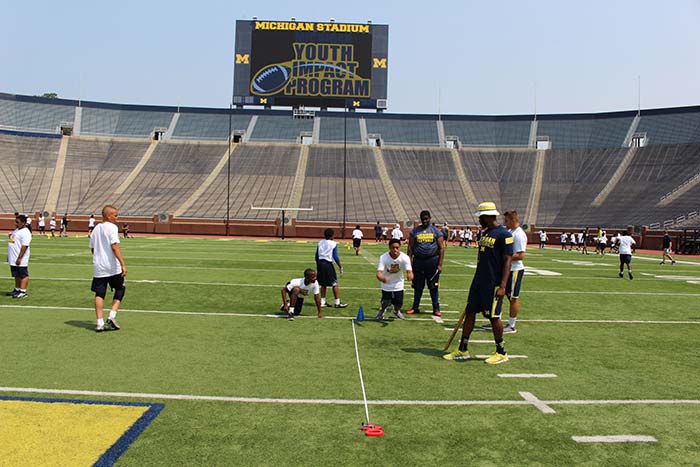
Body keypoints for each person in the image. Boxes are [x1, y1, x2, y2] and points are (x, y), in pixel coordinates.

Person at [444, 201, 514, 364]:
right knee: (470, 312)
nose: (479, 221)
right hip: (479, 281)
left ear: (489, 217)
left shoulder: (504, 234)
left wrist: (503, 286)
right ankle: (463, 349)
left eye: (481, 217)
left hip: (494, 284)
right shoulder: (484, 233)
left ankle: (501, 352)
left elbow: (508, 261)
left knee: (493, 317)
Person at [90, 205, 127, 332]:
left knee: (99, 293)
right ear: (108, 216)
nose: (117, 218)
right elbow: (114, 246)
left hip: (98, 267)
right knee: (121, 288)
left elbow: (92, 248)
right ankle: (112, 316)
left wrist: (98, 259)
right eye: (115, 215)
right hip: (112, 266)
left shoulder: (95, 229)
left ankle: (99, 322)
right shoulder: (112, 227)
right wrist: (122, 263)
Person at [406, 210, 445, 317]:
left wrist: (440, 264)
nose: (425, 221)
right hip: (418, 261)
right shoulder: (415, 231)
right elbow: (410, 248)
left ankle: (436, 308)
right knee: (418, 286)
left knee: (433, 286)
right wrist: (409, 265)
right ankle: (415, 307)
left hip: (432, 261)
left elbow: (441, 248)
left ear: (430, 218)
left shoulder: (436, 231)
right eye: (423, 219)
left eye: (427, 219)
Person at [376, 238, 414, 320]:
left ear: (400, 247)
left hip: (398, 283)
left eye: (397, 248)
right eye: (393, 248)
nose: (395, 250)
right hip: (386, 284)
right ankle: (382, 310)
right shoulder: (383, 257)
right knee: (386, 302)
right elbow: (379, 273)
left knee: (399, 303)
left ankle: (396, 311)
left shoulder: (405, 257)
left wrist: (410, 275)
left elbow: (409, 271)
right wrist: (382, 278)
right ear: (389, 248)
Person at [502, 210, 527, 334]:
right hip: (507, 269)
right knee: (502, 294)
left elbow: (521, 255)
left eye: (506, 221)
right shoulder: (510, 232)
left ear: (513, 220)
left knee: (513, 298)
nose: (504, 223)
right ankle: (497, 320)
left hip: (515, 269)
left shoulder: (519, 234)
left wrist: (505, 257)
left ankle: (512, 325)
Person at [315, 228, 348, 308]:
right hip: (328, 264)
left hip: (320, 263)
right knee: (334, 283)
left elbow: (316, 255)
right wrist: (340, 266)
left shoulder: (320, 242)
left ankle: (322, 302)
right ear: (332, 235)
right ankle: (337, 302)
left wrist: (318, 265)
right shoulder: (333, 243)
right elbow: (335, 256)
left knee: (323, 283)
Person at [7, 214, 32, 299]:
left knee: (23, 274)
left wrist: (20, 258)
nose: (15, 223)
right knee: (16, 274)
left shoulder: (25, 232)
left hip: (20, 258)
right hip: (13, 257)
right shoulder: (17, 230)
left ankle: (23, 291)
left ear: (23, 223)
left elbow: (24, 246)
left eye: (17, 222)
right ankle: (17, 289)